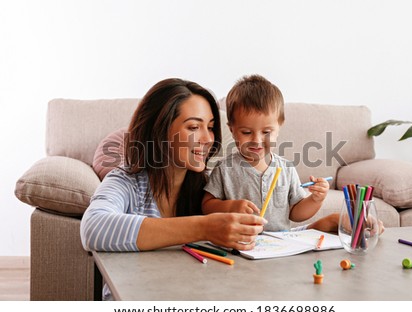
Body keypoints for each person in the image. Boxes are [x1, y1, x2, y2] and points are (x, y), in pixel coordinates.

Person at [80, 78, 267, 253]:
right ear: (160, 131)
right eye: (194, 127)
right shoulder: (127, 182)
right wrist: (205, 227)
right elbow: (93, 227)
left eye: (210, 128)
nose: (208, 139)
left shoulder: (212, 189)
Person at [202, 75, 343, 232]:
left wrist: (316, 200)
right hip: (239, 240)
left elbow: (296, 214)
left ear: (279, 128)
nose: (257, 140)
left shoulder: (286, 169)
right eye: (247, 132)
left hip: (280, 243)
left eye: (266, 132)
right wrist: (230, 206)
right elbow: (207, 206)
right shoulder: (224, 168)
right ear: (232, 130)